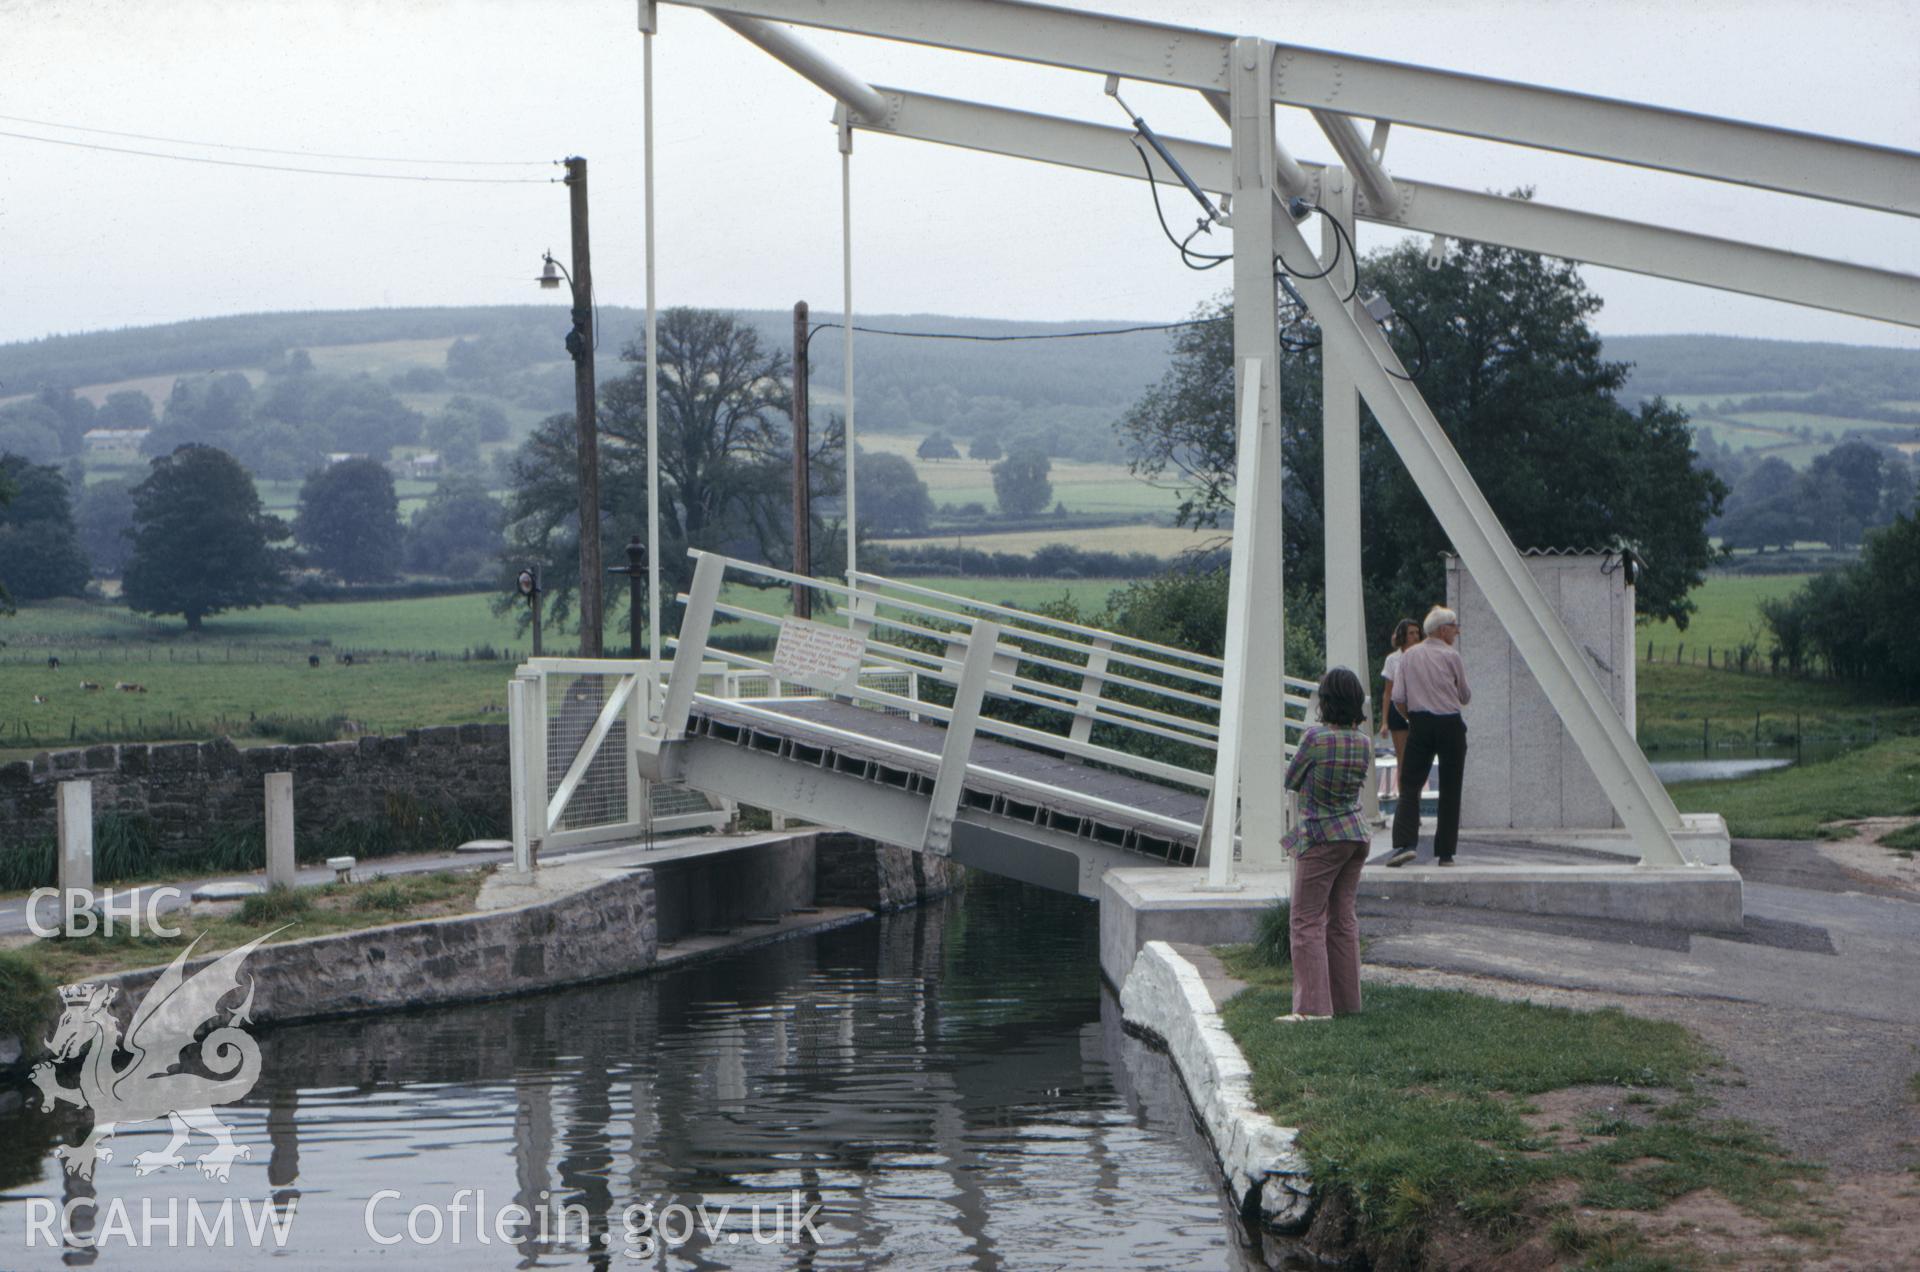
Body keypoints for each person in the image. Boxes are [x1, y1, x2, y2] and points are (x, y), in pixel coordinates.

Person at [1277, 667, 1372, 1021]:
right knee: (1343, 920)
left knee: (1306, 920)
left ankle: (1313, 1009)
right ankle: (1347, 1003)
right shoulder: (1362, 742)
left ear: (1325, 701)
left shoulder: (1314, 739)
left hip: (1321, 837)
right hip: (1355, 835)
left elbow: (1292, 778)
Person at [1386, 606, 1470, 868]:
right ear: (1443, 630)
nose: (1456, 632)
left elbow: (1398, 698)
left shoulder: (1409, 657)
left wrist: (1412, 718)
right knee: (1450, 787)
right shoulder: (1452, 656)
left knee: (1410, 784)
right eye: (1454, 627)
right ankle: (1445, 853)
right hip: (1450, 725)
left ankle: (1404, 844)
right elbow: (1465, 696)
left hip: (1420, 723)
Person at [1378, 618, 1423, 796]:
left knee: (1419, 758)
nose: (1415, 636)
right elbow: (1388, 692)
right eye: (1411, 633)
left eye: (1417, 633)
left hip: (1419, 709)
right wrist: (1384, 722)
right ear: (1403, 635)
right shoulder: (1392, 660)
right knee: (1402, 759)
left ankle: (1416, 799)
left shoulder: (1422, 655)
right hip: (1398, 711)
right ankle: (1405, 803)